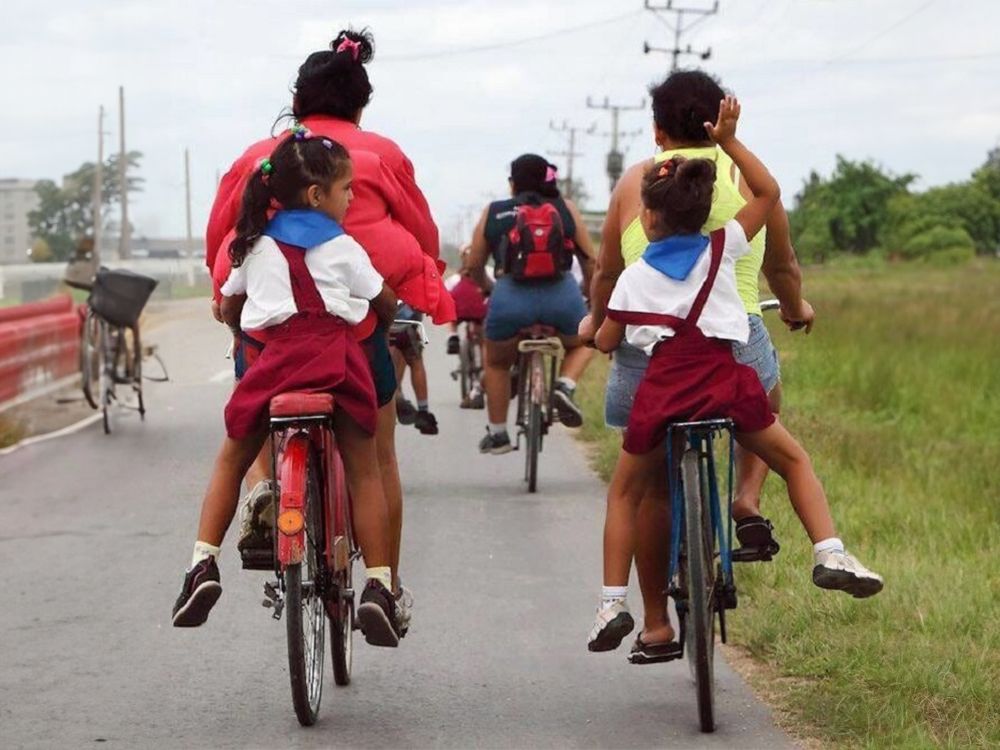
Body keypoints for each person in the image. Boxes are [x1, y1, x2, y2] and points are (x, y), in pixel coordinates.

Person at [587, 97, 883, 659]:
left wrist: (600, 333)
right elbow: (768, 194)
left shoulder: (631, 283)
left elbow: (605, 338)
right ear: (708, 211)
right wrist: (728, 142)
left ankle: (612, 602)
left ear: (646, 218)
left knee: (627, 493)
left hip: (661, 398)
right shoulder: (725, 247)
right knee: (792, 458)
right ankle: (830, 550)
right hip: (727, 386)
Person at [204, 28, 454, 633]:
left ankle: (268, 487)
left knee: (259, 409)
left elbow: (221, 237)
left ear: (296, 99)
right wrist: (418, 285)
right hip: (358, 328)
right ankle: (383, 586)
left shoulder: (261, 158)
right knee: (376, 456)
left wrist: (227, 301)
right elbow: (421, 234)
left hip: (269, 334)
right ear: (361, 105)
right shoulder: (378, 155)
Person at [173, 133, 403, 646]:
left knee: (233, 457)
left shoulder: (254, 243)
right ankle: (379, 586)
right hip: (338, 367)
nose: (351, 199)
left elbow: (230, 305)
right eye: (347, 190)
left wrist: (239, 327)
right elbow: (384, 301)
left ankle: (202, 565)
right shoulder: (344, 247)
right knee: (365, 470)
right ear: (318, 196)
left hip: (275, 367)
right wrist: (384, 323)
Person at [467, 155, 597, 454]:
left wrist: (488, 287)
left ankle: (498, 433)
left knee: (497, 362)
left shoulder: (495, 211)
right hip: (561, 295)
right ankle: (564, 386)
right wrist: (587, 294)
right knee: (584, 341)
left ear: (512, 183)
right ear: (547, 180)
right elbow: (590, 260)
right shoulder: (565, 209)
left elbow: (475, 263)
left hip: (510, 296)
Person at [445, 244, 489, 409]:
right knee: (485, 338)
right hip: (481, 312)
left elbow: (446, 293)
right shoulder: (488, 271)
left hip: (461, 311)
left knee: (451, 312)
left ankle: (452, 335)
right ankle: (486, 364)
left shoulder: (456, 278)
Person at [390, 303, 439, 435]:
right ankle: (423, 410)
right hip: (406, 323)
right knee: (416, 362)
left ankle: (392, 396)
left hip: (382, 325)